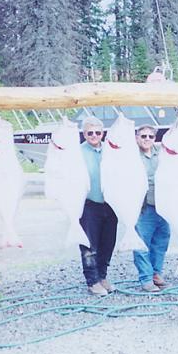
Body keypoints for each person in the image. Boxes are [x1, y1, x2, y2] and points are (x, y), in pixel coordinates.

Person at [79, 116, 118, 296]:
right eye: (90, 132)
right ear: (84, 134)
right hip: (88, 204)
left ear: (103, 133)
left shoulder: (111, 150)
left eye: (97, 132)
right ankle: (92, 281)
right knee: (89, 245)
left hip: (111, 204)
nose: (94, 135)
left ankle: (102, 276)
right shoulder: (77, 152)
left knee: (107, 243)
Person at [133, 124, 171, 292]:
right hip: (142, 207)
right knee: (141, 244)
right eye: (143, 136)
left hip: (163, 206)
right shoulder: (130, 156)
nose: (147, 139)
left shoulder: (163, 154)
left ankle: (156, 273)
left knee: (161, 242)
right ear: (136, 138)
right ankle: (146, 279)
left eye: (150, 136)